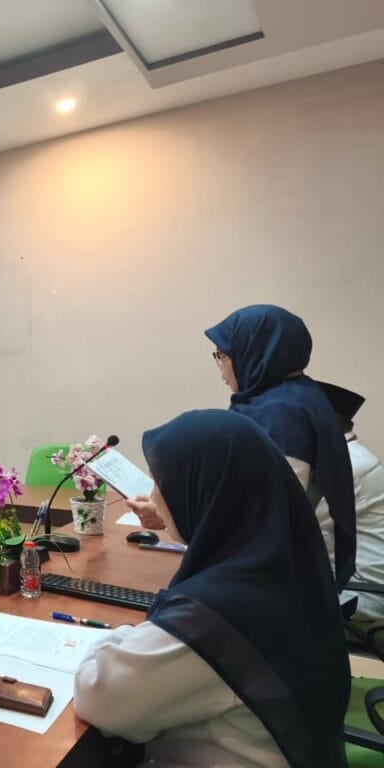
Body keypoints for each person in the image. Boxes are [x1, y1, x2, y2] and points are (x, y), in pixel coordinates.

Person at [74, 410, 350, 767]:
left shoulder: (217, 612)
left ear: (206, 491)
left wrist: (119, 634)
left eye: (161, 483)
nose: (155, 497)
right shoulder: (282, 562)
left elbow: (99, 697)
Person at [127, 304, 356, 589]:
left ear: (254, 352)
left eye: (222, 355)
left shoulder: (280, 415)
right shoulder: (298, 398)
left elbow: (260, 518)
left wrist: (169, 517)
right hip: (285, 568)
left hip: (271, 581)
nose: (220, 367)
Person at [318, 381, 384, 622]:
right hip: (350, 585)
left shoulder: (347, 465)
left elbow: (284, 521)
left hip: (361, 593)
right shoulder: (348, 455)